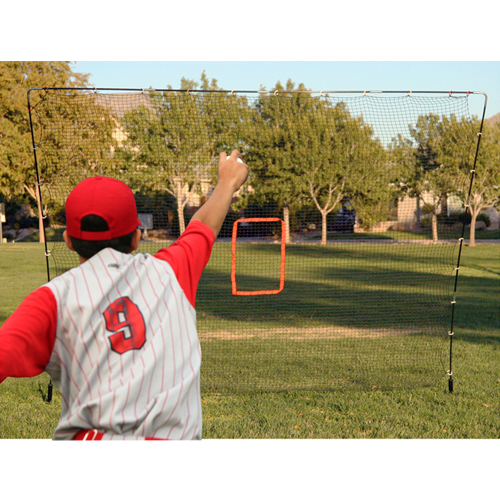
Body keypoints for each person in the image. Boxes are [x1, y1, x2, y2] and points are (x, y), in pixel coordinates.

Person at [0, 150, 248, 440]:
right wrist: (227, 182)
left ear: (68, 241)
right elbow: (204, 225)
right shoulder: (171, 272)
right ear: (136, 238)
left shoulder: (52, 300)